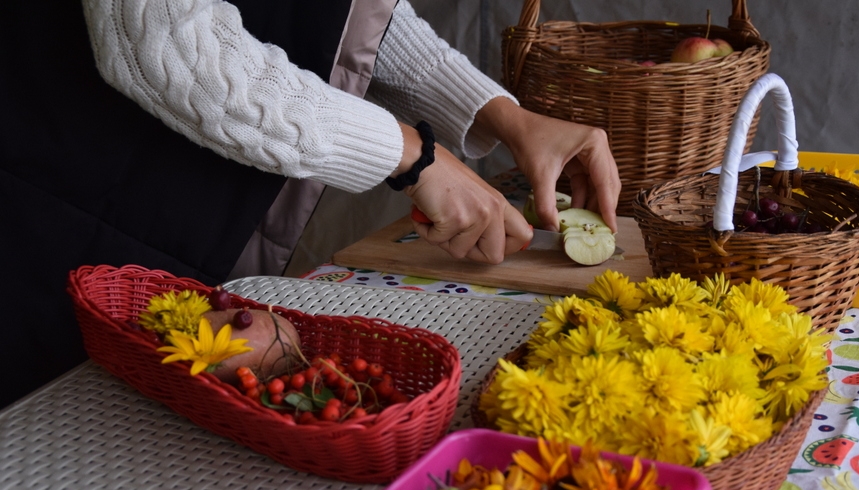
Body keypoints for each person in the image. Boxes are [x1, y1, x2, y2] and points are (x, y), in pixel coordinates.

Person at [0, 0, 620, 410]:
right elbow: (171, 50)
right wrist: (413, 156)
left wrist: (503, 114)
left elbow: (348, 9)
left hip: (174, 209)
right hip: (50, 197)